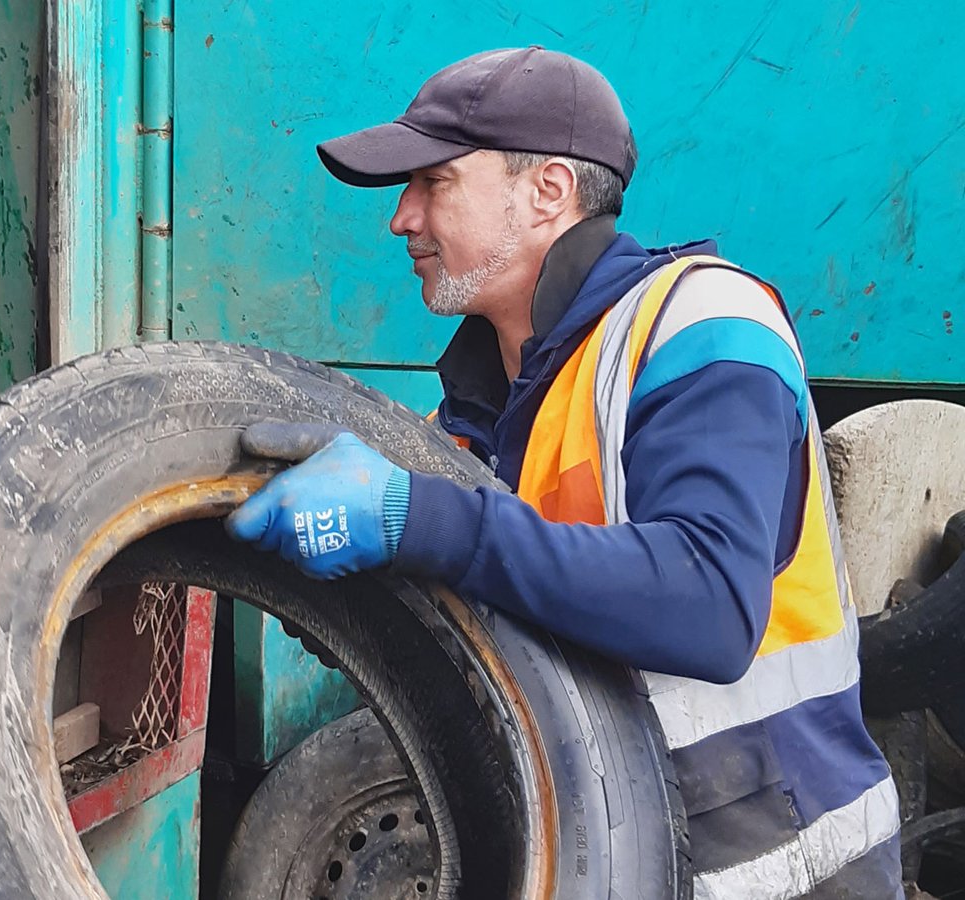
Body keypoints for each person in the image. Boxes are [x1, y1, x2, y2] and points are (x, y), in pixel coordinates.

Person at [226, 46, 900, 898]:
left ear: (547, 190)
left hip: (778, 870)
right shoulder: (468, 417)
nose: (402, 218)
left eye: (433, 183)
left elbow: (711, 607)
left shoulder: (702, 321)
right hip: (609, 864)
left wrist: (414, 520)